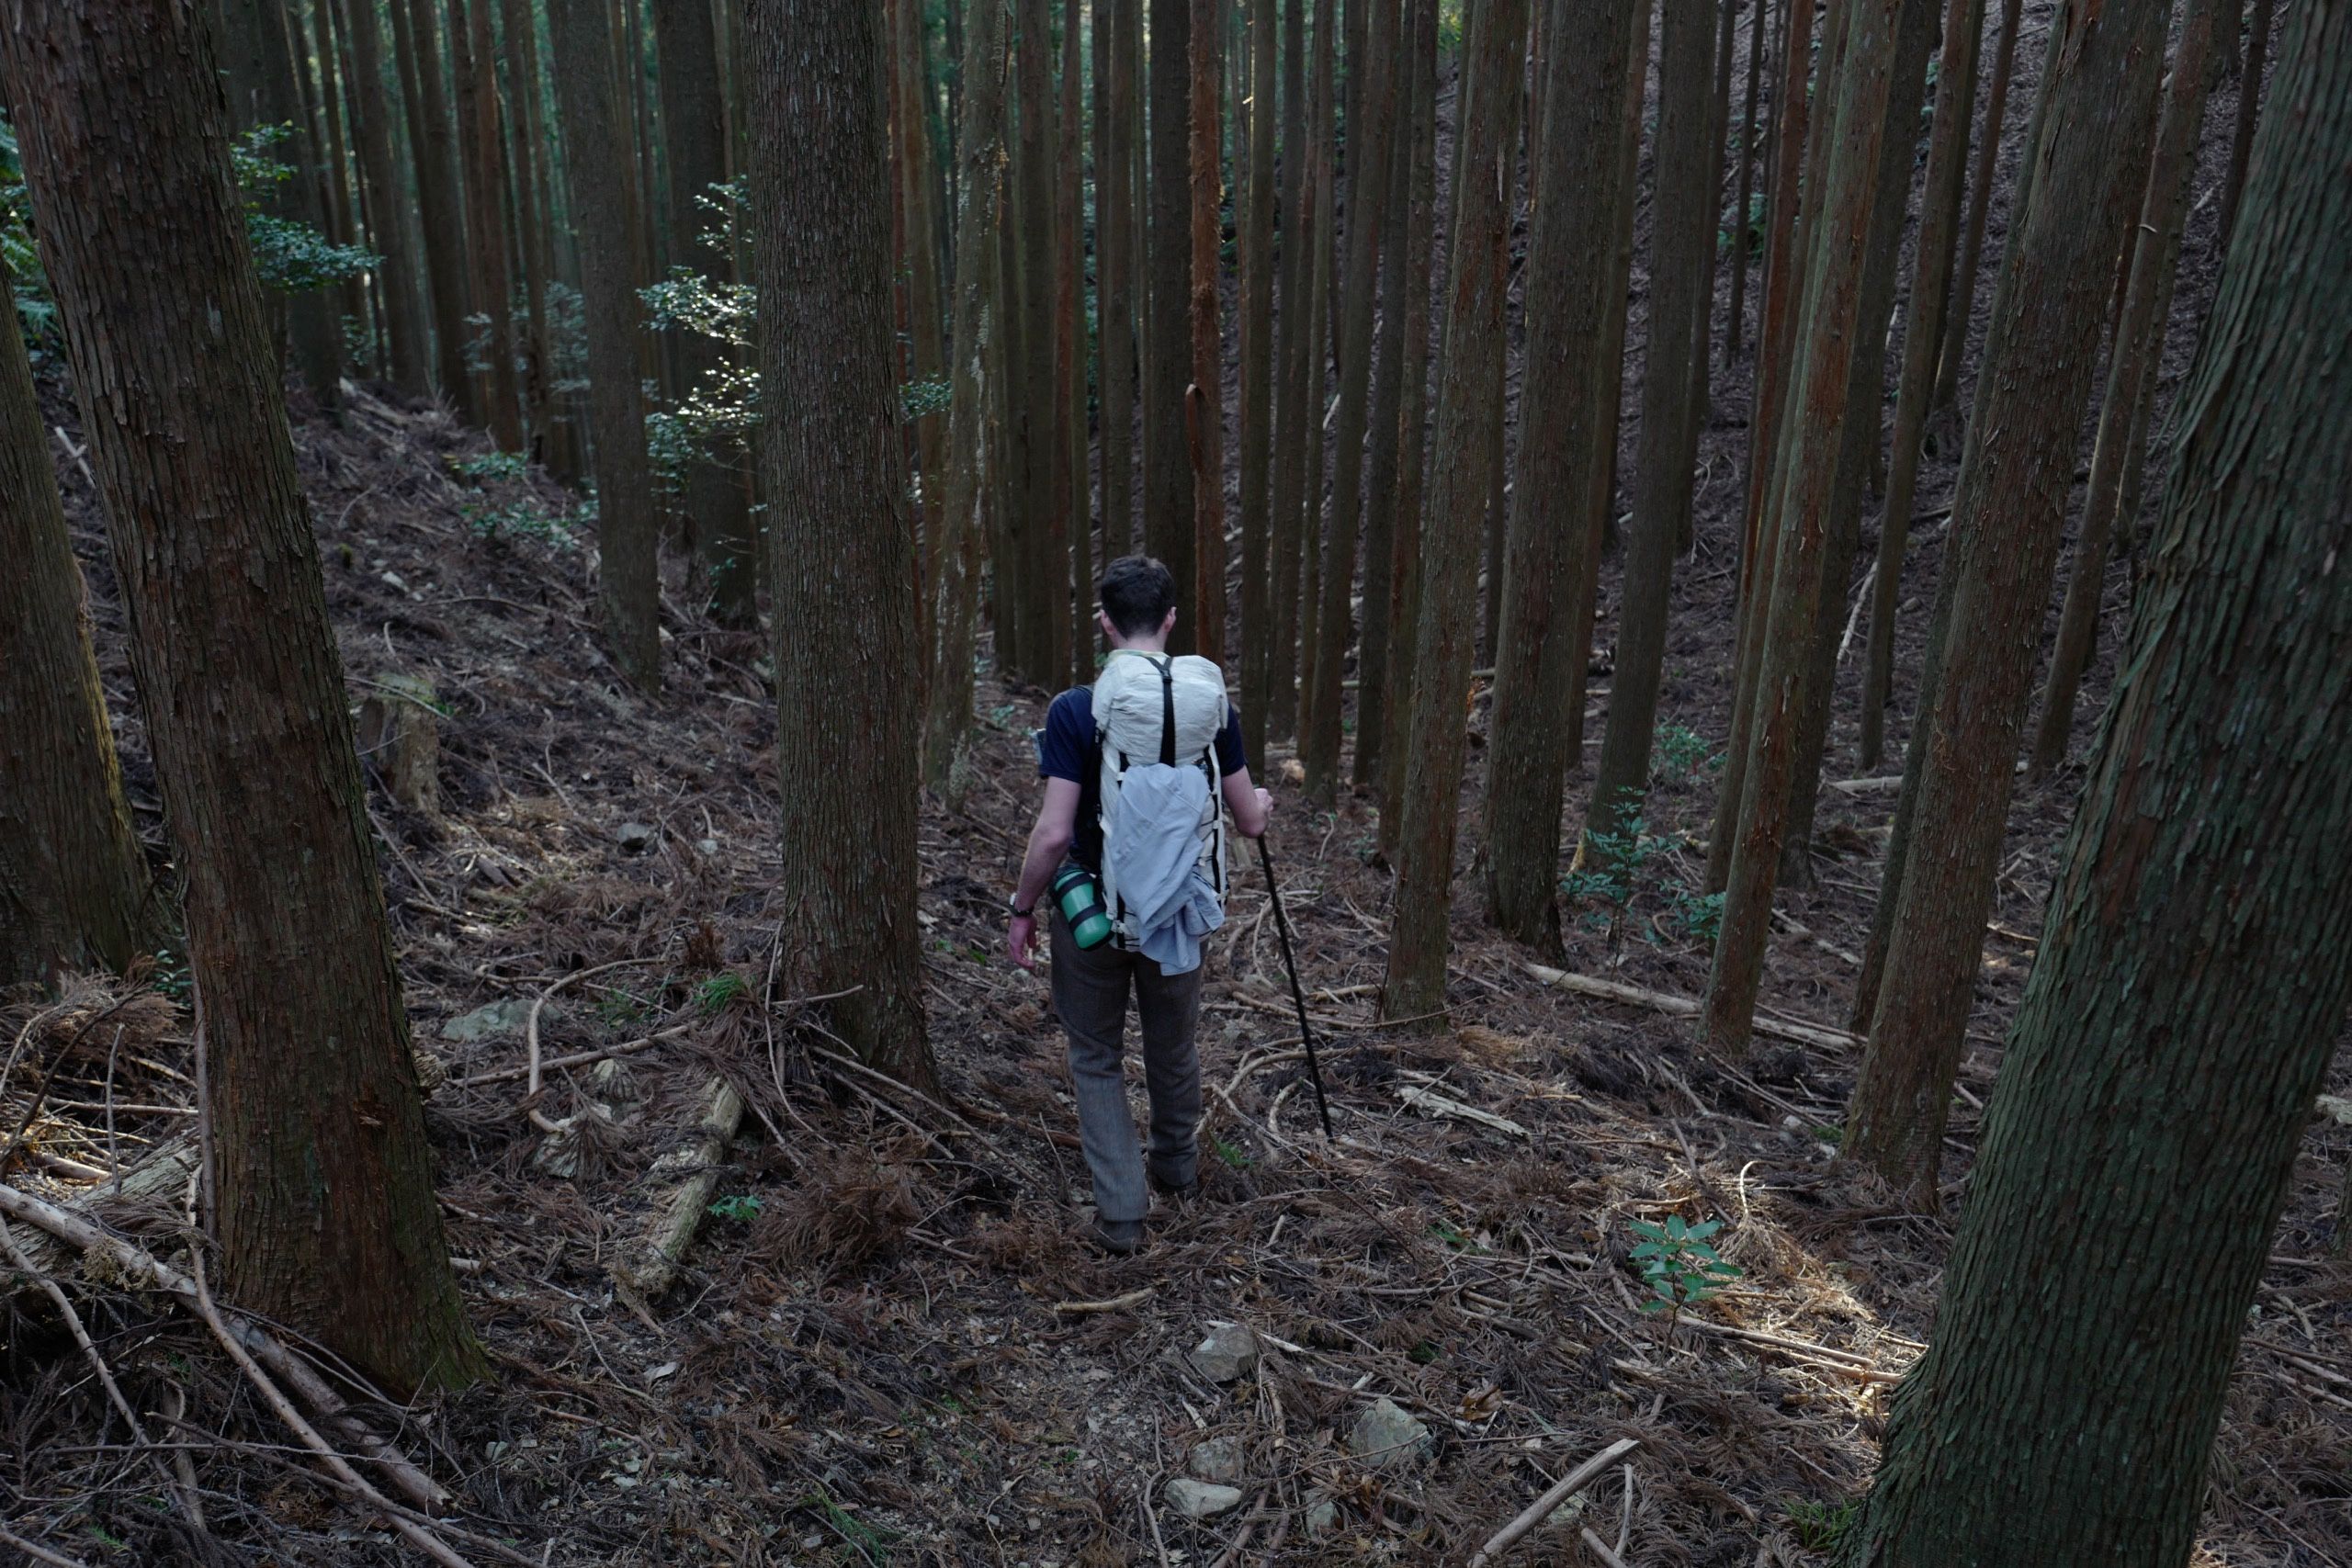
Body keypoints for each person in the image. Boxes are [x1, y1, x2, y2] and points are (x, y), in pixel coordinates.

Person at [1008, 556, 1271, 1254]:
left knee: (1095, 1055)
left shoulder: (1073, 709)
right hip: (1180, 911)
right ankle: (1177, 1169)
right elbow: (1248, 819)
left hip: (1093, 914)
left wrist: (1023, 906)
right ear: (1172, 619)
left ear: (1104, 621)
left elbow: (1055, 830)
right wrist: (1264, 803)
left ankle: (1122, 1213)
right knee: (1172, 1042)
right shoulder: (1211, 706)